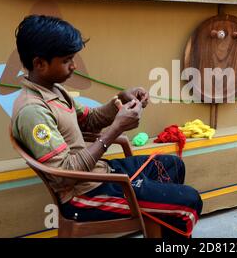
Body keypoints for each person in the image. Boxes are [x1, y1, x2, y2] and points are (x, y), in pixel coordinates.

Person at [11, 15, 202, 238]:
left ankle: (157, 225)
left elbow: (89, 119)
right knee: (188, 202)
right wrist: (116, 129)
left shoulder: (53, 90)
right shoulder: (33, 111)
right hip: (85, 196)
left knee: (172, 165)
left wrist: (120, 101)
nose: (73, 66)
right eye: (66, 60)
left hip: (99, 173)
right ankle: (162, 220)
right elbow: (66, 175)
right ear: (39, 63)